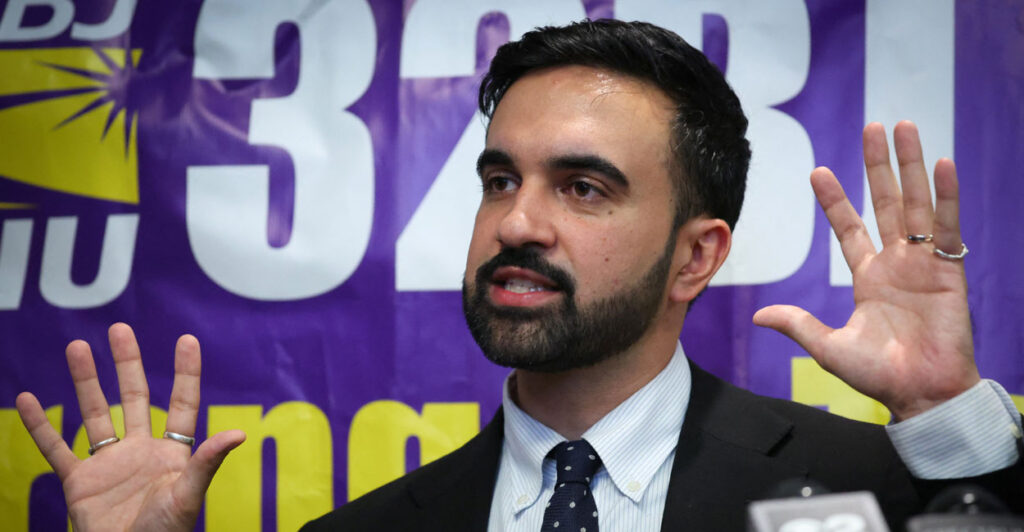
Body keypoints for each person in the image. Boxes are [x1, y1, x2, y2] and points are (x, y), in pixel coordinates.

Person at [15, 19, 1022, 532]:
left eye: (583, 188)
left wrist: (948, 416)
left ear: (696, 255)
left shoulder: (883, 488)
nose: (516, 221)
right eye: (501, 178)